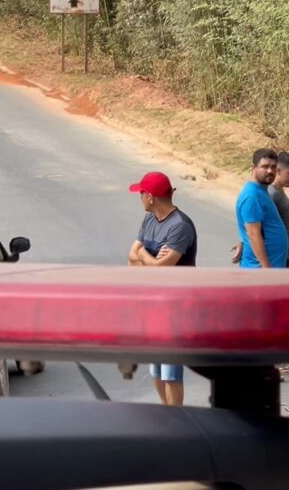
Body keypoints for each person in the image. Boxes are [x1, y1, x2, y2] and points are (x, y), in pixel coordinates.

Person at [126, 171, 197, 407]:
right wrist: (150, 259)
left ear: (150, 197)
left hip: (175, 307)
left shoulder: (181, 226)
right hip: (152, 304)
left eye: (141, 194)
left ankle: (177, 420)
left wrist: (144, 255)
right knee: (156, 368)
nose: (140, 198)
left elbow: (158, 267)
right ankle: (168, 414)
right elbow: (130, 258)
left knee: (171, 372)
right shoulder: (149, 220)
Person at [236, 149, 288, 269]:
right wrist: (266, 269)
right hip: (259, 269)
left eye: (273, 167)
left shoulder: (261, 192)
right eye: (265, 166)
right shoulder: (252, 196)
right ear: (253, 168)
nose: (270, 171)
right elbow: (253, 234)